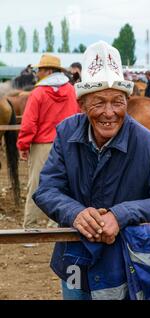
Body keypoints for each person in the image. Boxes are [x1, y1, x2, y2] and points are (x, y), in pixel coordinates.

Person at [33, 41, 150, 300]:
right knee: (76, 295)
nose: (109, 112)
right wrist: (75, 213)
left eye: (118, 102)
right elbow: (47, 189)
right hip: (75, 255)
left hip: (125, 258)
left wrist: (121, 214)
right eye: (99, 102)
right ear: (81, 104)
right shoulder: (66, 132)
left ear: (128, 101)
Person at [17, 53, 80, 229]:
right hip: (66, 144)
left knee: (36, 184)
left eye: (40, 70)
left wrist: (23, 144)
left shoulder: (38, 93)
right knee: (62, 184)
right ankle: (55, 224)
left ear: (49, 71)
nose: (37, 73)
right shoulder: (71, 91)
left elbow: (29, 123)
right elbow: (78, 118)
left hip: (41, 145)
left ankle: (31, 226)